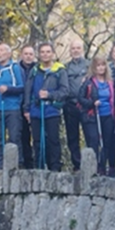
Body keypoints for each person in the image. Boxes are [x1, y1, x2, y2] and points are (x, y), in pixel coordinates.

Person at [23, 43, 69, 171]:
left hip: (52, 110)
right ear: (39, 54)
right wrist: (26, 109)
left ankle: (55, 169)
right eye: (42, 52)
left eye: (48, 52)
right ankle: (39, 167)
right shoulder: (35, 71)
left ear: (53, 54)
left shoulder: (60, 70)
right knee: (37, 141)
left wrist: (49, 94)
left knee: (53, 140)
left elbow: (65, 91)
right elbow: (28, 90)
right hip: (36, 111)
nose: (45, 54)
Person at [78, 57, 115, 175]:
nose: (100, 68)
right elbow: (80, 98)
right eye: (98, 66)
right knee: (94, 140)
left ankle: (103, 166)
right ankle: (92, 167)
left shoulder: (110, 82)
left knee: (107, 142)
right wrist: (92, 103)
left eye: (102, 65)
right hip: (92, 116)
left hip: (107, 115)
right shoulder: (88, 82)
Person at [63, 39, 89, 172]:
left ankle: (91, 164)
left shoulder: (90, 65)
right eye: (73, 48)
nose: (76, 50)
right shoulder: (65, 67)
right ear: (70, 50)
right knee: (72, 136)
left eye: (78, 48)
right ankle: (77, 164)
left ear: (82, 49)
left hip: (86, 106)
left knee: (90, 135)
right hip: (70, 105)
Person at [18, 45, 37, 169]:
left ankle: (38, 162)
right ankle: (24, 162)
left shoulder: (38, 69)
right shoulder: (15, 68)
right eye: (26, 54)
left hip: (35, 105)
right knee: (22, 135)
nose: (28, 56)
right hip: (19, 105)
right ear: (21, 55)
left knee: (37, 135)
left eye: (31, 54)